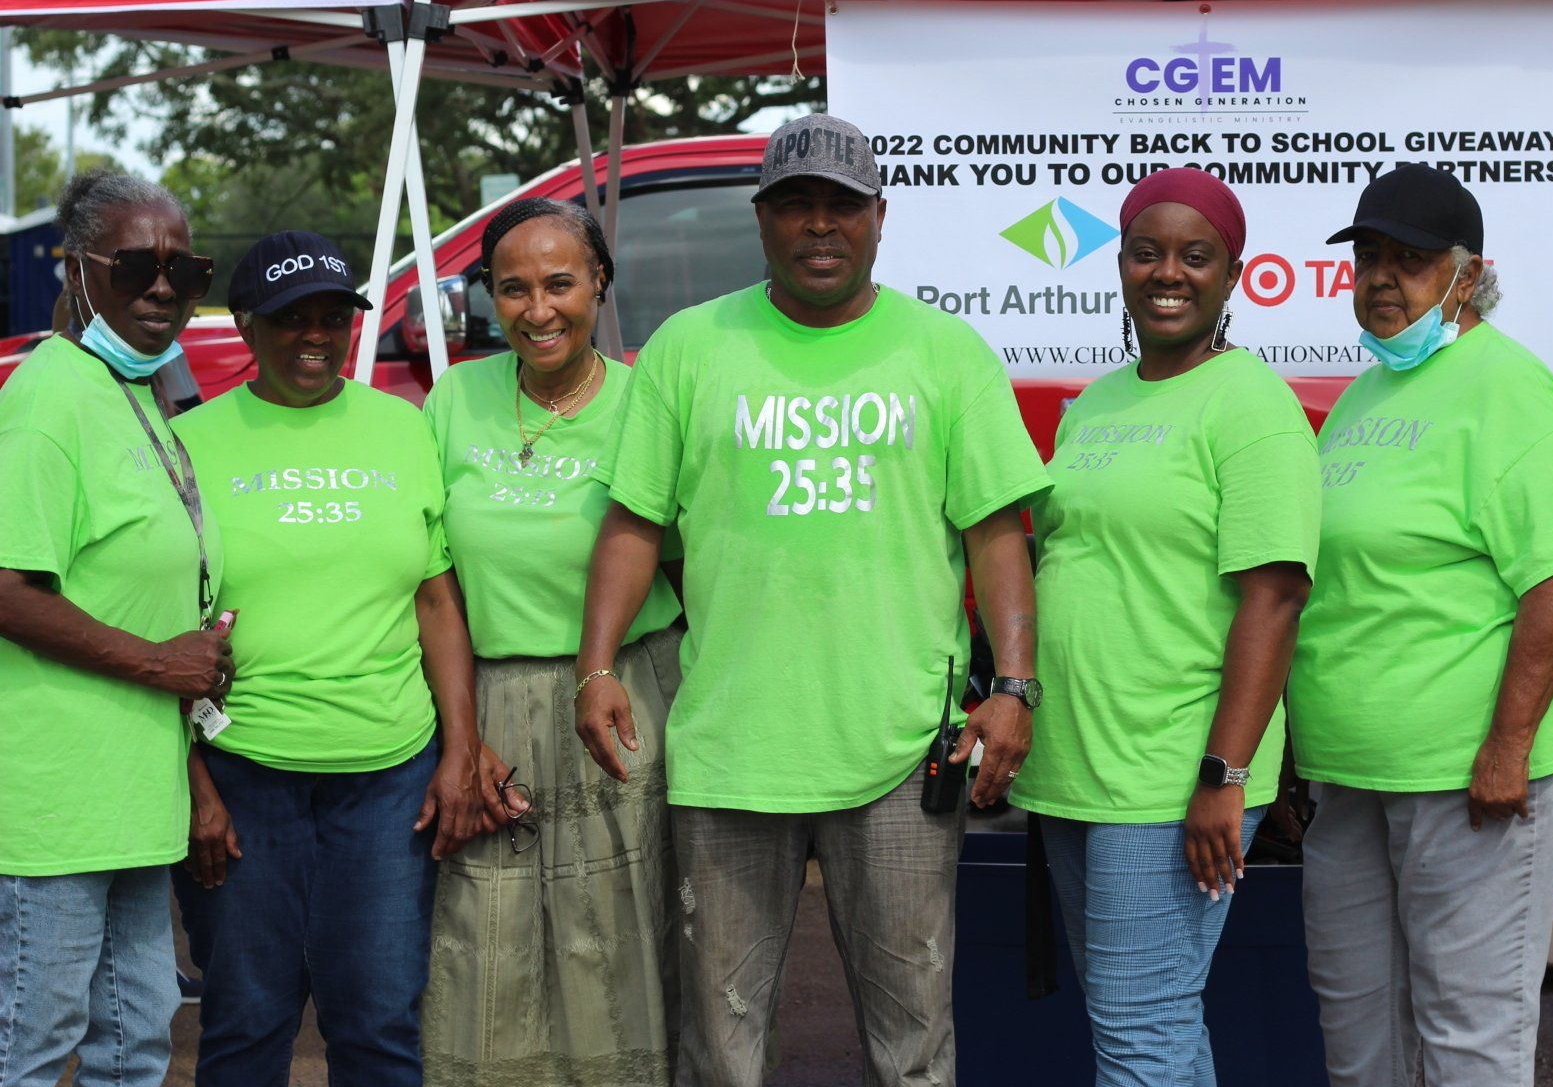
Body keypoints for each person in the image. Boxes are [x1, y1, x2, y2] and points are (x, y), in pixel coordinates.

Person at [576, 113, 1050, 1087]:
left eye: (841, 205)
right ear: (762, 219)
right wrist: (595, 664)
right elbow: (632, 523)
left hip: (898, 749)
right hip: (729, 745)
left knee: (911, 1041)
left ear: (881, 216)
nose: (819, 225)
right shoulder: (688, 346)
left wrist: (1015, 685)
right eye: (796, 204)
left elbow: (997, 532)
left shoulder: (945, 351)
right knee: (721, 1046)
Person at [1290, 163, 1553, 1086]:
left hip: (1471, 773)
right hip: (1356, 772)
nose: (1381, 278)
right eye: (1369, 258)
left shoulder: (1506, 387)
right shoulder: (1364, 396)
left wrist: (1507, 746)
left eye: (1410, 260)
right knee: (1360, 1040)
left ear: (1466, 277)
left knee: (1469, 1041)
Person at [1009, 168, 1317, 1084]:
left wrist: (1224, 776)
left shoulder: (1251, 405)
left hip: (1175, 769)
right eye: (1147, 252)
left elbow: (1275, 596)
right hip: (1077, 769)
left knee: (1137, 1028)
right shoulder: (1097, 402)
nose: (1167, 273)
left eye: (1195, 256)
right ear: (1122, 266)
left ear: (1233, 276)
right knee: (1151, 1024)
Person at [170, 232, 493, 1087]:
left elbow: (435, 600)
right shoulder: (191, 445)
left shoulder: (403, 427)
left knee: (380, 1024)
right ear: (244, 326)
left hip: (389, 781)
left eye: (330, 317)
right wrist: (194, 783)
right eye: (289, 320)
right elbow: (164, 628)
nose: (313, 336)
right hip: (243, 775)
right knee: (244, 1024)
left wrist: (459, 750)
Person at [418, 198, 684, 1085]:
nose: (539, 309)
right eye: (514, 288)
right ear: (489, 297)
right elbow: (431, 578)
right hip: (483, 701)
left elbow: (689, 563)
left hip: (619, 694)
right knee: (483, 945)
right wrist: (459, 737)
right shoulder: (455, 398)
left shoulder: (648, 399)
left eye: (561, 283)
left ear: (600, 282)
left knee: (613, 933)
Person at [0, 170, 232, 1087]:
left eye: (186, 267)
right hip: (58, 800)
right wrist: (160, 661)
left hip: (134, 798)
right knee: (32, 1043)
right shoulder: (48, 399)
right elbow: (8, 588)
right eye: (137, 265)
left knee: (136, 1044)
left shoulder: (133, 389)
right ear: (77, 269)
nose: (165, 287)